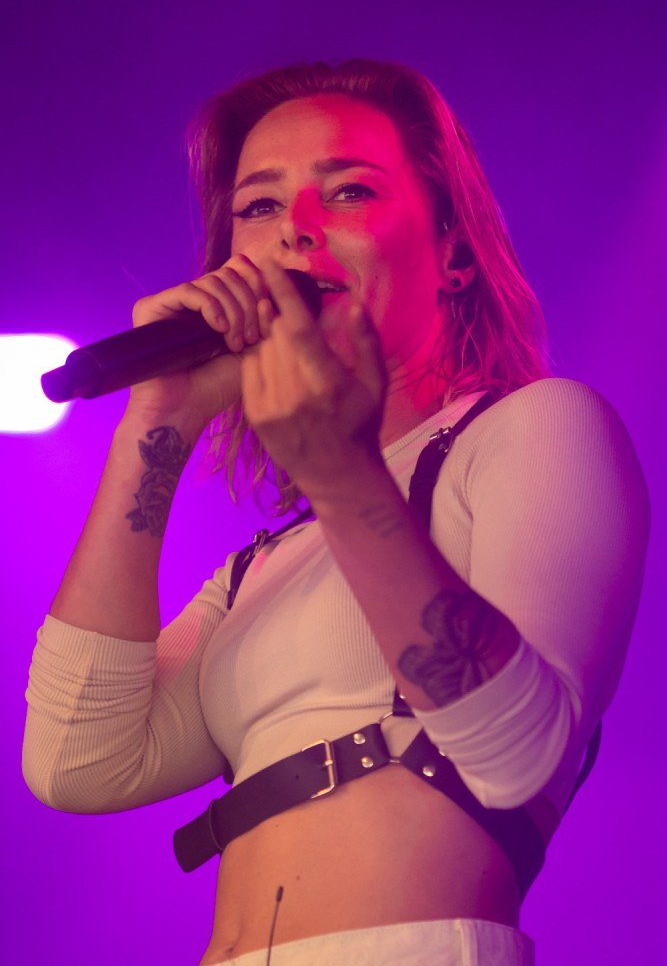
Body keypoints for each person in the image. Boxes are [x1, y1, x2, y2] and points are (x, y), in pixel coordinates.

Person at [23, 60, 649, 965]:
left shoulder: (536, 427)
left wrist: (340, 472)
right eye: (260, 206)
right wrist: (159, 420)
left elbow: (518, 758)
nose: (296, 230)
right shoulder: (263, 565)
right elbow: (77, 762)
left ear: (452, 249)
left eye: (348, 191)